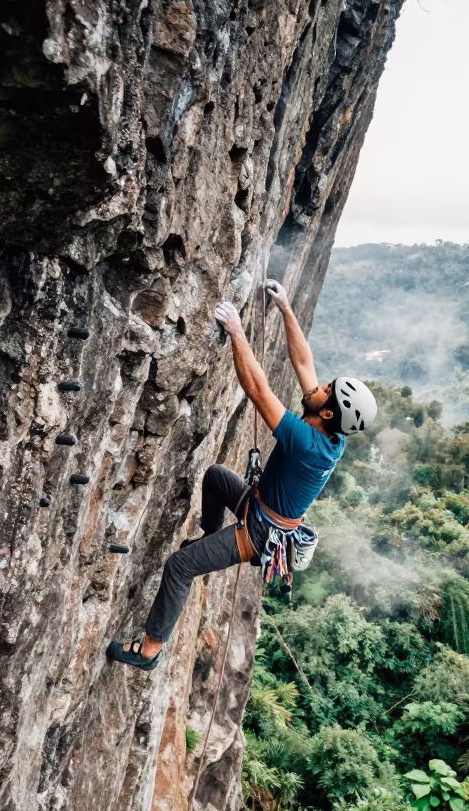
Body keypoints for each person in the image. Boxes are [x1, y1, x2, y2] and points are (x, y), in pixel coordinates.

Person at [107, 278, 377, 670]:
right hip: (260, 507)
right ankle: (208, 538)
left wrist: (236, 331)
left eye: (326, 389)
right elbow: (303, 363)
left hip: (259, 534)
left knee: (179, 567)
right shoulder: (328, 426)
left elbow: (257, 390)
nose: (319, 386)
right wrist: (286, 309)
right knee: (216, 477)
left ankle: (149, 651)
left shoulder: (309, 443)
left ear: (329, 411)